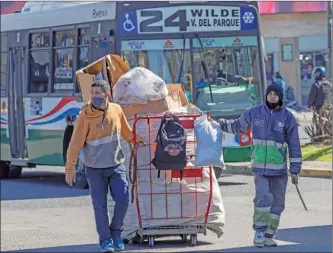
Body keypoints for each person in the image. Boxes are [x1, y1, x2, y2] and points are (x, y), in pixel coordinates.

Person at [218, 83, 302, 248]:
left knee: (278, 203)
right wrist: (218, 124)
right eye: (269, 93)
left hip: (279, 170)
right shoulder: (255, 112)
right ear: (266, 95)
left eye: (275, 94)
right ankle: (260, 232)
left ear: (280, 97)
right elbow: (237, 127)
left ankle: (270, 235)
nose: (272, 96)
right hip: (260, 169)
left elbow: (294, 144)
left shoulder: (288, 117)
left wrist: (295, 169)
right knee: (262, 199)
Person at [65, 80, 145, 252]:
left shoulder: (116, 110)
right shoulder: (84, 116)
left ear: (107, 95)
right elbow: (75, 143)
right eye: (92, 93)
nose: (94, 97)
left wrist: (137, 139)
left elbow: (126, 132)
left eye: (97, 93)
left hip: (116, 165)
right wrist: (69, 168)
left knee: (123, 200)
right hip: (94, 169)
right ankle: (105, 240)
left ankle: (116, 232)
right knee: (100, 206)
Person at [307, 66, 332, 135]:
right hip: (329, 108)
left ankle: (320, 137)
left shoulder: (316, 85)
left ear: (319, 74)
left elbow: (311, 97)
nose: (315, 75)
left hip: (319, 109)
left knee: (319, 124)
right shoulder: (330, 84)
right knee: (328, 123)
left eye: (316, 74)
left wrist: (309, 106)